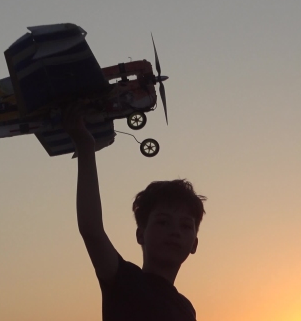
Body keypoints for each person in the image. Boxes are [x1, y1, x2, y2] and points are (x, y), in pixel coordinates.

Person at [64, 106, 206, 321]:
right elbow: (91, 229)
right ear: (140, 234)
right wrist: (85, 147)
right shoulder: (125, 281)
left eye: (185, 225)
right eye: (163, 222)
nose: (175, 232)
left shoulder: (186, 309)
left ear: (194, 244)